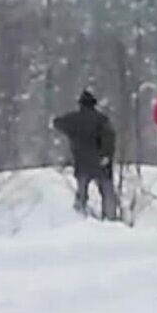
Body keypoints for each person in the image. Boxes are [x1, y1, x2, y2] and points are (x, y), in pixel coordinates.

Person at [53, 89, 120, 220]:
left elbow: (58, 123)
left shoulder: (73, 119)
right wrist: (106, 155)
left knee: (82, 193)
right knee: (107, 194)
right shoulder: (102, 119)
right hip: (101, 162)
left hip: (82, 162)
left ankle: (79, 218)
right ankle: (110, 219)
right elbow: (110, 137)